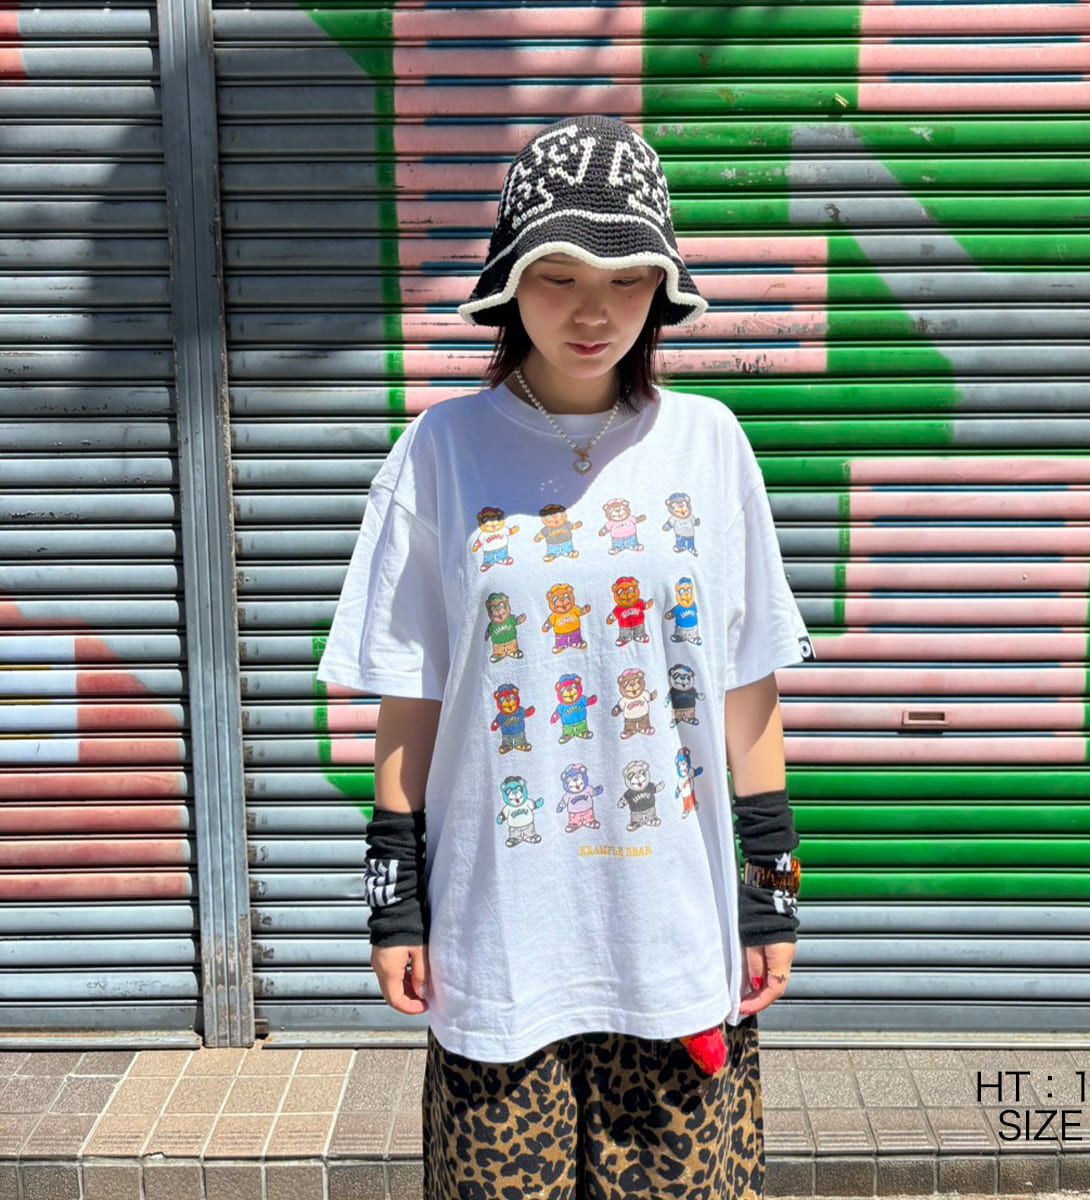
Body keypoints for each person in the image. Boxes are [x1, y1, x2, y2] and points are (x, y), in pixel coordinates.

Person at [316, 114, 816, 1200]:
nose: (594, 311)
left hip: (676, 938)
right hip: (500, 944)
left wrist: (772, 887)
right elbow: (411, 697)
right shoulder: (441, 450)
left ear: (663, 289)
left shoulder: (709, 443)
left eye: (628, 277)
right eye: (559, 275)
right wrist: (393, 899)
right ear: (509, 280)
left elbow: (747, 683)